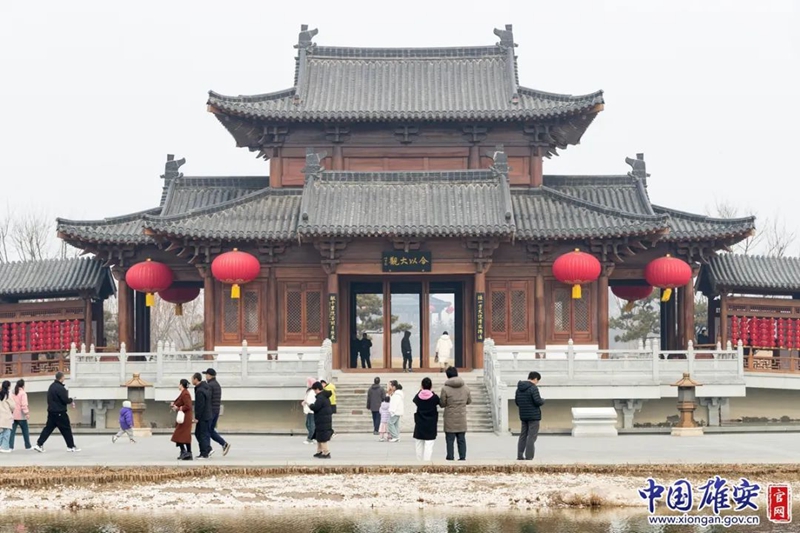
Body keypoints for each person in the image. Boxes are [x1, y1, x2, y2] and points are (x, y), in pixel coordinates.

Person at [34, 372, 79, 453]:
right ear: (61, 378)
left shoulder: (51, 386)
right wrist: (71, 400)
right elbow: (65, 399)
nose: (64, 378)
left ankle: (39, 444)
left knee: (48, 428)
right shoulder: (60, 388)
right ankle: (71, 446)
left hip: (51, 412)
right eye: (64, 377)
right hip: (60, 412)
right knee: (66, 429)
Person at [440, 366, 471, 461]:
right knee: (461, 439)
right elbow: (469, 401)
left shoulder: (445, 389)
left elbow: (442, 403)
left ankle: (450, 457)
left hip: (450, 417)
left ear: (447, 375)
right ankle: (462, 457)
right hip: (461, 417)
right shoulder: (466, 388)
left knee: (450, 440)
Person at [515, 371, 545, 461]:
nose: (537, 382)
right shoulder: (533, 388)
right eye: (538, 380)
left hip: (523, 415)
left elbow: (517, 402)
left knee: (523, 435)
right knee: (531, 436)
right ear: (535, 379)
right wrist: (543, 400)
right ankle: (529, 456)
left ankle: (520, 455)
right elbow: (537, 401)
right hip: (533, 416)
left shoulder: (519, 389)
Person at [203, 368, 231, 456]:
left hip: (210, 411)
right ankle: (224, 444)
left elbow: (207, 399)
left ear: (209, 375)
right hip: (216, 410)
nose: (205, 376)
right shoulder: (217, 385)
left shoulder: (210, 385)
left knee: (206, 431)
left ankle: (207, 450)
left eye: (206, 374)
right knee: (210, 430)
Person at [413, 377, 439, 461]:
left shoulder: (418, 397)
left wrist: (420, 391)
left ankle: (419, 461)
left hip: (420, 422)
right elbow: (439, 402)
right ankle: (426, 462)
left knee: (419, 444)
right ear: (431, 386)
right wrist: (432, 392)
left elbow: (414, 400)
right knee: (429, 445)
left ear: (422, 386)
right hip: (431, 423)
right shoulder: (434, 397)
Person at [308, 381, 333, 459]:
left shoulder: (320, 397)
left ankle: (326, 452)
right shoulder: (324, 396)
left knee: (322, 437)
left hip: (322, 420)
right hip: (323, 419)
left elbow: (316, 407)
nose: (314, 392)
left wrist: (310, 405)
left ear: (317, 389)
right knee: (319, 436)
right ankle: (319, 451)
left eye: (314, 390)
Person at [170, 379, 193, 460]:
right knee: (183, 435)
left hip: (185, 418)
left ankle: (186, 452)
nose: (178, 386)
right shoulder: (184, 393)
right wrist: (174, 405)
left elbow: (188, 406)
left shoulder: (185, 394)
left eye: (179, 384)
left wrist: (178, 408)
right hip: (183, 417)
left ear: (181, 385)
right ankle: (186, 452)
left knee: (179, 435)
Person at [192, 372, 212, 459]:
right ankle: (207, 449)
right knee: (200, 433)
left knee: (201, 434)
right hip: (207, 414)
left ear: (196, 379)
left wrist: (197, 417)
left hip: (203, 416)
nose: (191, 381)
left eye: (192, 379)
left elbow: (200, 405)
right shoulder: (205, 388)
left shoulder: (200, 391)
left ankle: (204, 453)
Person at [10, 379, 31, 451]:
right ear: (23, 385)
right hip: (21, 416)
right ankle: (28, 446)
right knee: (25, 431)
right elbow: (24, 404)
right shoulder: (23, 393)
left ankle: (10, 446)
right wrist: (26, 413)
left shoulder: (12, 393)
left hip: (13, 415)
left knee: (12, 432)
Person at [0, 381, 15, 453]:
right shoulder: (8, 395)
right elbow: (12, 406)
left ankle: (1, 445)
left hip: (0, 416)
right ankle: (5, 447)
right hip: (6, 415)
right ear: (8, 386)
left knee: (2, 432)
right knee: (7, 432)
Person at [302, 377, 316, 444]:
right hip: (308, 410)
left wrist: (306, 403)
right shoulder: (309, 391)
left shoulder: (312, 392)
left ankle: (310, 438)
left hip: (311, 410)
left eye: (308, 382)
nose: (307, 383)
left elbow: (311, 401)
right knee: (308, 424)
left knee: (311, 425)